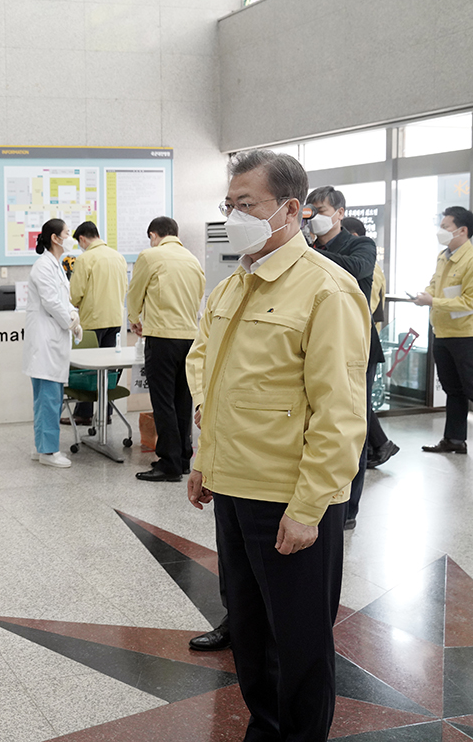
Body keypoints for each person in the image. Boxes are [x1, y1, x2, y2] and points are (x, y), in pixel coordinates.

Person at [185, 150, 369, 741]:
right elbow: (215, 378)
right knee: (250, 633)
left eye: (246, 205)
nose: (233, 217)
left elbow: (341, 412)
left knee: (299, 642)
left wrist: (309, 507)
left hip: (289, 497)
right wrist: (204, 462)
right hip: (233, 487)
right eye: (228, 205)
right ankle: (263, 731)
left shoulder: (326, 289)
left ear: (291, 209)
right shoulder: (234, 284)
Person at [303, 186, 378, 530]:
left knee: (351, 427)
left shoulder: (360, 245)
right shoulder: (309, 247)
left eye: (320, 210)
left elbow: (357, 268)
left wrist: (307, 255)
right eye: (311, 212)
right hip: (318, 343)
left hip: (357, 347)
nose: (315, 218)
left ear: (339, 213)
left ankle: (348, 508)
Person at [127, 216, 205, 483]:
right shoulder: (192, 260)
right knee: (183, 400)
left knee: (163, 402)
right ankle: (183, 459)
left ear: (153, 234)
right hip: (190, 338)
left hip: (162, 337)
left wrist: (134, 318)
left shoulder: (150, 256)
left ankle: (169, 463)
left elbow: (135, 292)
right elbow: (198, 297)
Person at [412, 205, 473, 454]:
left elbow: (469, 301)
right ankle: (454, 440)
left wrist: (433, 301)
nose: (441, 231)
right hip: (442, 331)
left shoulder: (470, 259)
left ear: (462, 230)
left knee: (470, 387)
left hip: (465, 335)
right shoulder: (443, 256)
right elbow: (435, 284)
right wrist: (424, 295)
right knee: (453, 389)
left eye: (446, 227)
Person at [341, 216, 399, 469]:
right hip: (356, 337)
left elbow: (367, 303)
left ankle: (379, 445)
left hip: (364, 338)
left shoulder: (367, 264)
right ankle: (381, 444)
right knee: (357, 401)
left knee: (358, 401)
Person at [24, 218, 83, 468]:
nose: (70, 238)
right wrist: (70, 321)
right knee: (48, 399)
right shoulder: (43, 267)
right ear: (55, 238)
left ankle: (42, 447)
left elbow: (63, 299)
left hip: (53, 340)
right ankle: (48, 451)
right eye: (67, 234)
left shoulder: (55, 266)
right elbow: (51, 302)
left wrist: (73, 315)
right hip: (46, 343)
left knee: (49, 398)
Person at [67, 220, 127, 424]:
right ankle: (105, 413)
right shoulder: (118, 257)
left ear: (82, 239)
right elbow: (125, 287)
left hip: (93, 321)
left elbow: (75, 293)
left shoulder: (85, 259)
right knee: (109, 369)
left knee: (88, 370)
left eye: (79, 243)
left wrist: (73, 302)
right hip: (115, 319)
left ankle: (83, 413)